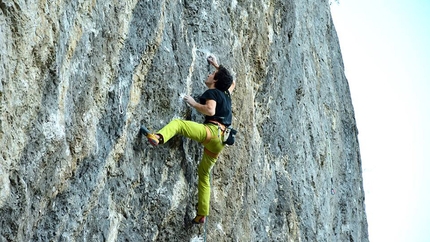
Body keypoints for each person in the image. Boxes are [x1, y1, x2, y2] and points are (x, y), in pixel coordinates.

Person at [141, 55, 235, 224]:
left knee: (178, 124)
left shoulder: (212, 92)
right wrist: (217, 65)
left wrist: (193, 103)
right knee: (204, 174)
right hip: (221, 142)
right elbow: (231, 82)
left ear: (215, 80)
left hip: (211, 131)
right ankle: (201, 214)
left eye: (212, 73)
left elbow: (210, 110)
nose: (208, 75)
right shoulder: (227, 94)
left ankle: (158, 137)